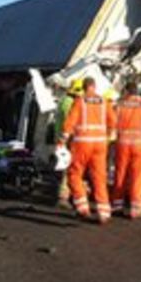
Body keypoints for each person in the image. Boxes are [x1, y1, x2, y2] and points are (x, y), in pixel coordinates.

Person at [58, 77, 116, 223]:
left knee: (74, 174)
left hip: (82, 144)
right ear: (94, 86)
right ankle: (104, 213)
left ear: (83, 88)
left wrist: (62, 141)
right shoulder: (104, 102)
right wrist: (107, 137)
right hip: (100, 145)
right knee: (99, 178)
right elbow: (113, 123)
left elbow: (69, 123)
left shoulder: (80, 101)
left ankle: (82, 207)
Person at [111, 81, 141, 219]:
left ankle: (117, 206)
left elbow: (111, 125)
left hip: (122, 144)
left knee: (120, 175)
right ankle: (135, 209)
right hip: (139, 145)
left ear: (126, 91)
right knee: (137, 176)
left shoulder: (119, 106)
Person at [55, 79, 84, 207]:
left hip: (61, 138)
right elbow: (70, 124)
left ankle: (67, 195)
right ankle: (63, 197)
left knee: (65, 168)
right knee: (69, 169)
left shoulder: (64, 100)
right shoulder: (70, 103)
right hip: (68, 140)